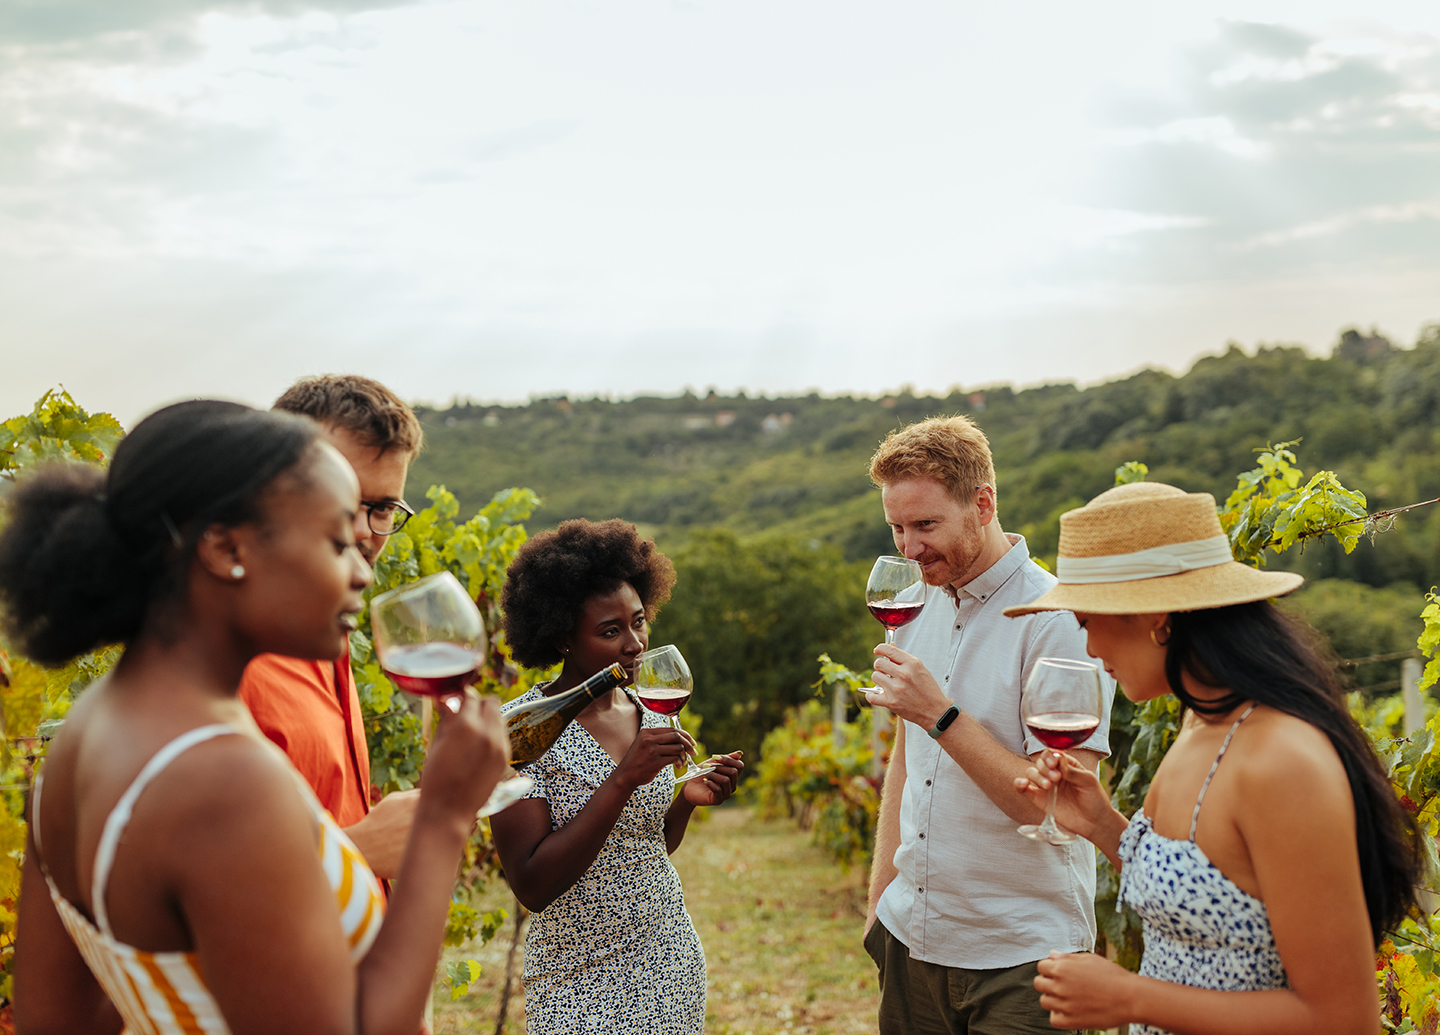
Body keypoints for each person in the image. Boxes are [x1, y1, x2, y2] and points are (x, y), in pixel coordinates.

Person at [8, 400, 509, 1035]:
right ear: (224, 548)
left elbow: (57, 1019)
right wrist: (442, 819)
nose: (362, 572)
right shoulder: (224, 779)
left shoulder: (84, 738)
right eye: (335, 542)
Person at [1008, 480, 1424, 1034]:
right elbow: (1214, 897)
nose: (1088, 648)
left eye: (1086, 621)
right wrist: (1102, 824)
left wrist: (1132, 997)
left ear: (1156, 617)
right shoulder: (1202, 719)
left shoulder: (1283, 763)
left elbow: (1344, 1020)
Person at [861, 414, 1115, 1035]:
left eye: (925, 525)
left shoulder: (1057, 620)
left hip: (1022, 957)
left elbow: (1056, 805)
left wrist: (940, 715)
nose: (908, 548)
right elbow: (906, 753)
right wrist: (879, 899)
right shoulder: (915, 605)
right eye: (897, 527)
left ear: (983, 504)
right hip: (911, 938)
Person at [489, 518, 743, 1035]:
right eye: (610, 631)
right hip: (575, 980)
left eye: (638, 622)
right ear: (562, 637)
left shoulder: (650, 710)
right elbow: (533, 886)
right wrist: (623, 780)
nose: (635, 644)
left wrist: (685, 801)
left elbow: (645, 846)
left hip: (668, 960)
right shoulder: (520, 732)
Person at [239, 375, 424, 881]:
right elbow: (201, 896)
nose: (364, 533)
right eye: (342, 503)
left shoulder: (328, 635)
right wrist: (356, 853)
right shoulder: (223, 668)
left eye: (383, 508)